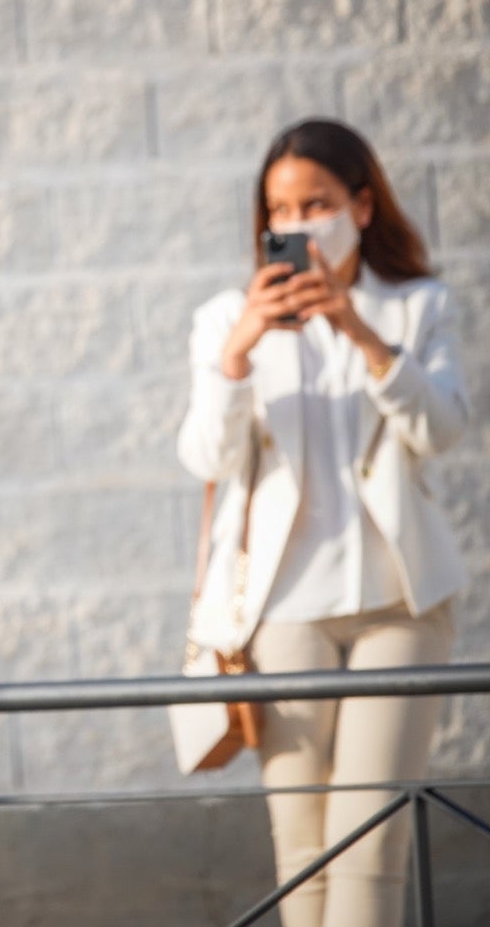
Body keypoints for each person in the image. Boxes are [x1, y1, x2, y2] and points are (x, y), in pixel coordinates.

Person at [176, 118, 469, 927]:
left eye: (319, 203)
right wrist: (237, 355)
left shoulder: (417, 307)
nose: (299, 223)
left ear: (363, 207)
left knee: (369, 843)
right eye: (281, 208)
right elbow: (206, 456)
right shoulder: (226, 319)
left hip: (400, 607)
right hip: (282, 615)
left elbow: (441, 428)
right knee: (303, 849)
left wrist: (361, 332)